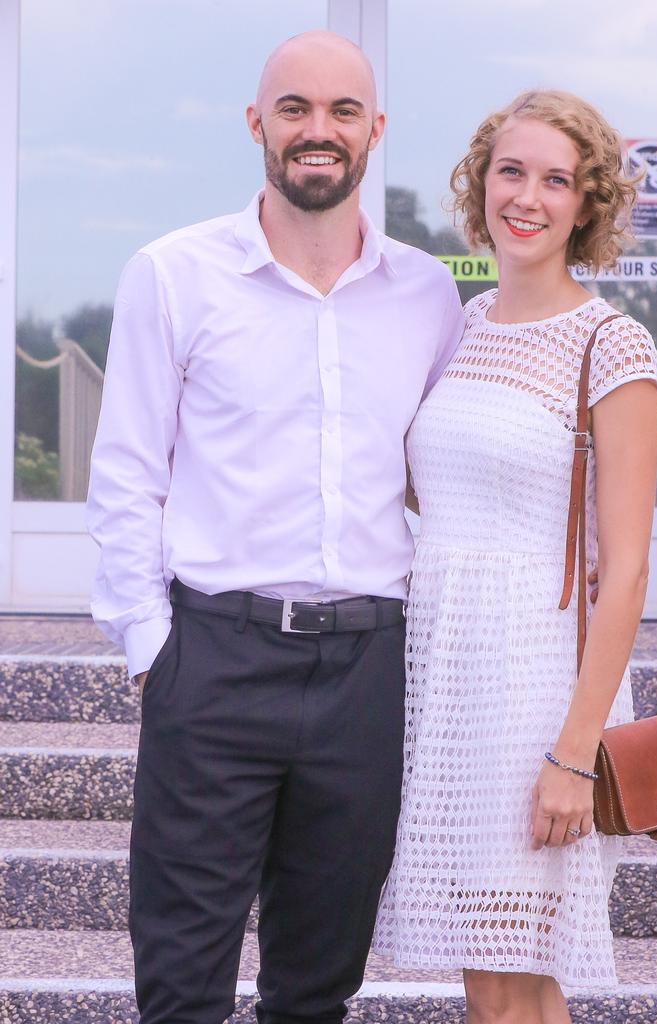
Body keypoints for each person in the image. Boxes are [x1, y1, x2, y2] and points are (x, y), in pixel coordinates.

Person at [86, 31, 465, 1024]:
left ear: (374, 131)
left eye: (342, 111)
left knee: (318, 983)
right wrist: (150, 651)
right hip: (213, 658)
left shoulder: (427, 294)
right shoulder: (173, 275)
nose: (318, 131)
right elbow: (126, 470)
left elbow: (445, 474)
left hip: (366, 673)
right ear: (257, 124)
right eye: (294, 108)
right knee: (181, 975)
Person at [373, 90, 657, 1024]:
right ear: (480, 185)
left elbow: (623, 571)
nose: (528, 197)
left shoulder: (612, 344)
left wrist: (574, 754)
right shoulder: (461, 325)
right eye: (511, 171)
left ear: (589, 204)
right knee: (503, 982)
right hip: (448, 675)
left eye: (557, 179)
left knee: (505, 984)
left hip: (536, 687)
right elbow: (440, 487)